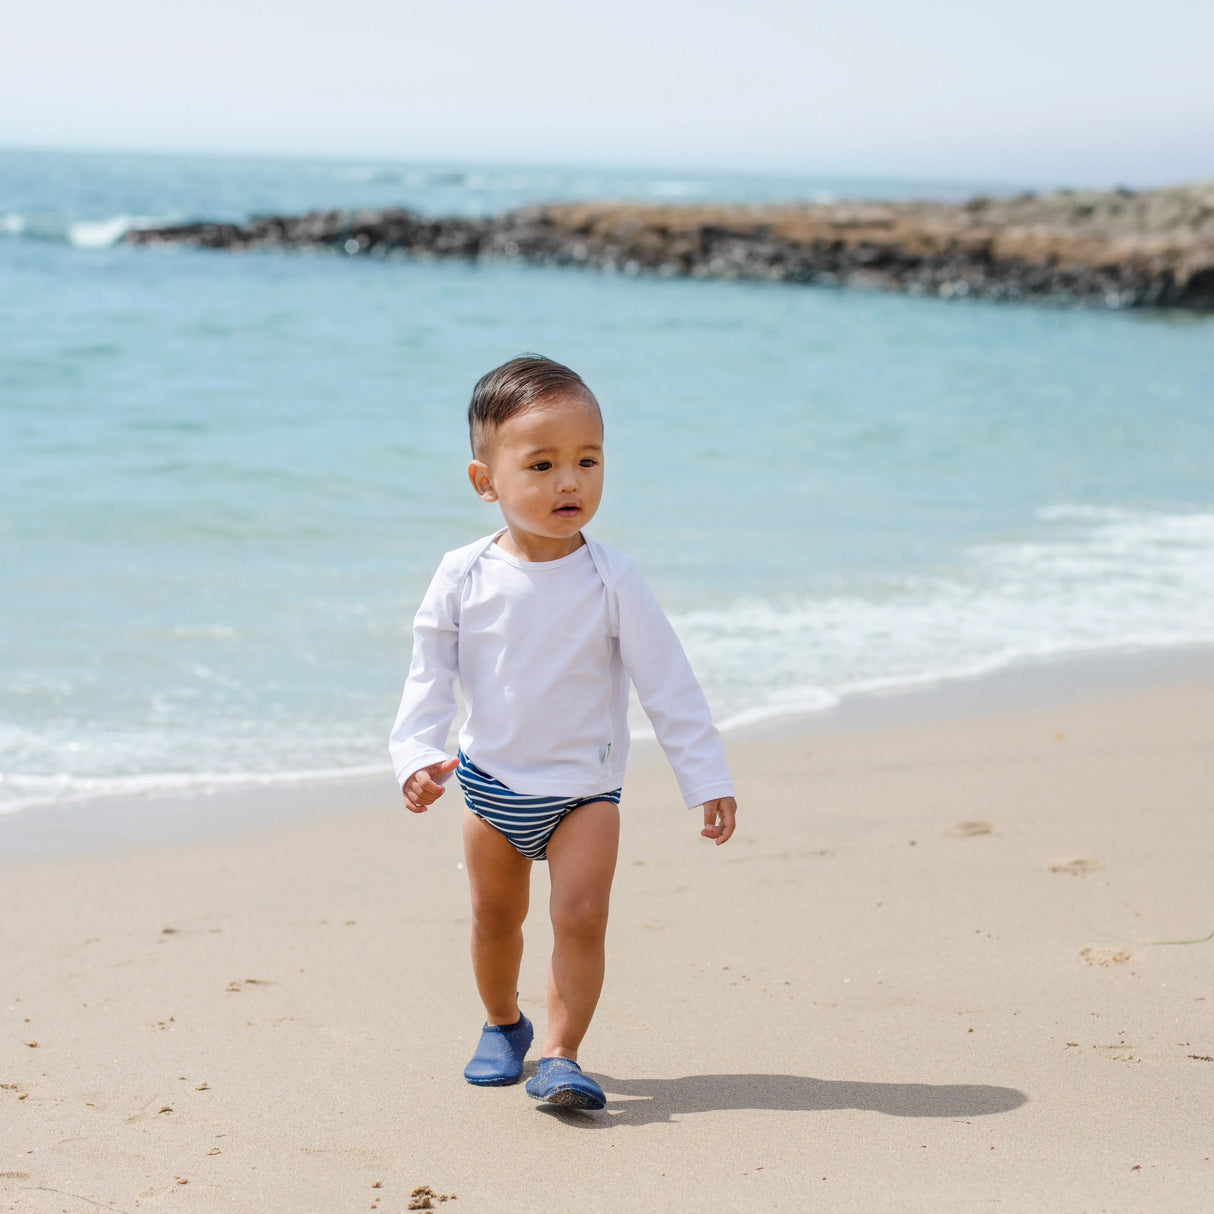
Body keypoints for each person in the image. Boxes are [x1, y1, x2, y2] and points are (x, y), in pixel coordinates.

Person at [389, 354, 737, 1111]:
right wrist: (415, 754)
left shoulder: (614, 578)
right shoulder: (462, 574)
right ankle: (502, 1022)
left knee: (581, 918)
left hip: (586, 792)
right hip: (490, 787)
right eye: (541, 464)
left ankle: (560, 1053)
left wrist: (706, 778)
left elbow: (668, 683)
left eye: (588, 460)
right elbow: (429, 675)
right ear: (485, 481)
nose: (569, 482)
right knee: (493, 920)